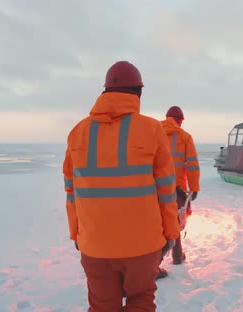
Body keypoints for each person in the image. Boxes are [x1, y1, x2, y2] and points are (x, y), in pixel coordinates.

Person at [62, 61, 179, 311]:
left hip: (95, 246)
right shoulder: (151, 130)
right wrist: (171, 234)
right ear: (138, 93)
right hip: (143, 246)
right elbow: (167, 190)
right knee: (141, 301)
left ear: (105, 91)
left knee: (103, 306)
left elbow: (71, 191)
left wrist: (76, 233)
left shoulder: (77, 133)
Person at [156, 105, 201, 278]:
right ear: (180, 121)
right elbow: (192, 166)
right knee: (174, 222)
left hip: (154, 186)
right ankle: (161, 261)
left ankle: (176, 255)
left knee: (159, 224)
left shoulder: (153, 132)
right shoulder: (184, 137)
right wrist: (194, 188)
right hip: (176, 189)